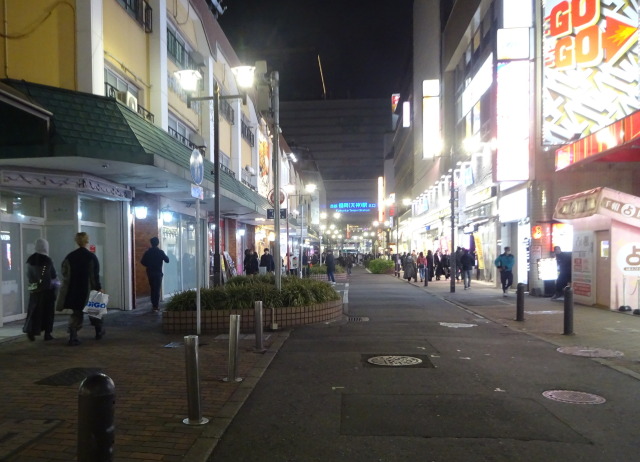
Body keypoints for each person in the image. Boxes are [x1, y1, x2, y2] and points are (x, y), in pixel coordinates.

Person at [55, 232, 103, 346]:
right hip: (88, 288)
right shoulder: (91, 257)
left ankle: (73, 335)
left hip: (74, 288)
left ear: (76, 241)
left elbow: (64, 273)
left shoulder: (70, 256)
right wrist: (98, 287)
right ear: (87, 241)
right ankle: (98, 332)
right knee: (96, 311)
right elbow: (94, 275)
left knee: (76, 313)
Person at [23, 238, 57, 341]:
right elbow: (53, 275)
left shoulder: (30, 259)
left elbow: (28, 275)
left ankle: (31, 330)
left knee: (33, 311)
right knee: (48, 312)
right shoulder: (47, 260)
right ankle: (47, 333)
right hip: (47, 290)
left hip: (34, 289)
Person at [140, 237, 170, 312]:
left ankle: (154, 304)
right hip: (158, 273)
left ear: (151, 243)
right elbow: (167, 260)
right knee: (157, 289)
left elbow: (142, 261)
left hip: (150, 272)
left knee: (152, 288)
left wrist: (149, 265)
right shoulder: (160, 252)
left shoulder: (148, 252)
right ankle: (155, 306)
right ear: (158, 243)